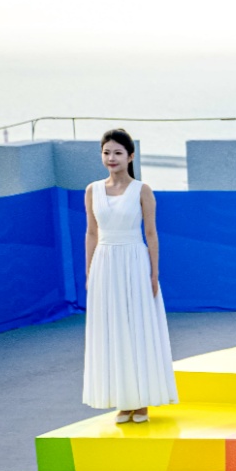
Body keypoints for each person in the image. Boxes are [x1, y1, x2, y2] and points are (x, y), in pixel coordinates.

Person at [82, 129, 177, 425]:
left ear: (130, 156)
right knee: (113, 330)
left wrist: (154, 273)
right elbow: (92, 232)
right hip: (105, 263)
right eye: (106, 152)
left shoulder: (142, 190)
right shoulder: (92, 190)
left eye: (118, 153)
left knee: (137, 326)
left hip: (135, 261)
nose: (111, 158)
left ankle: (142, 400)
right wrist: (89, 271)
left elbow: (151, 233)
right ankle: (124, 401)